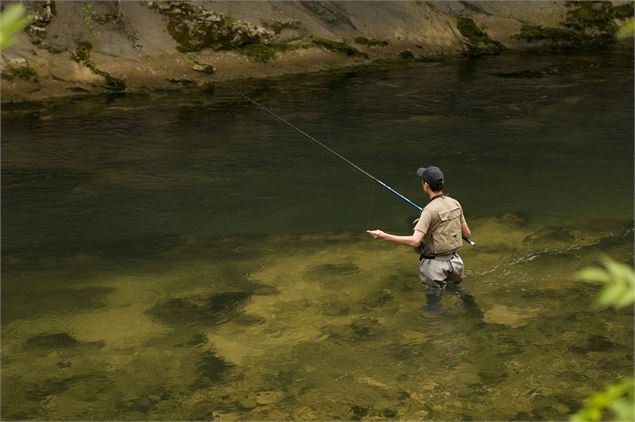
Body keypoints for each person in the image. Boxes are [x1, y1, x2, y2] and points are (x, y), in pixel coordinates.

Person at [367, 166, 474, 314]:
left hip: (434, 267)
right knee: (456, 290)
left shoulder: (428, 211)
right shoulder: (455, 203)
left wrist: (384, 235)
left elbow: (415, 241)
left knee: (434, 302)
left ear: (425, 185)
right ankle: (472, 310)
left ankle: (439, 329)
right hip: (456, 263)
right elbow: (467, 233)